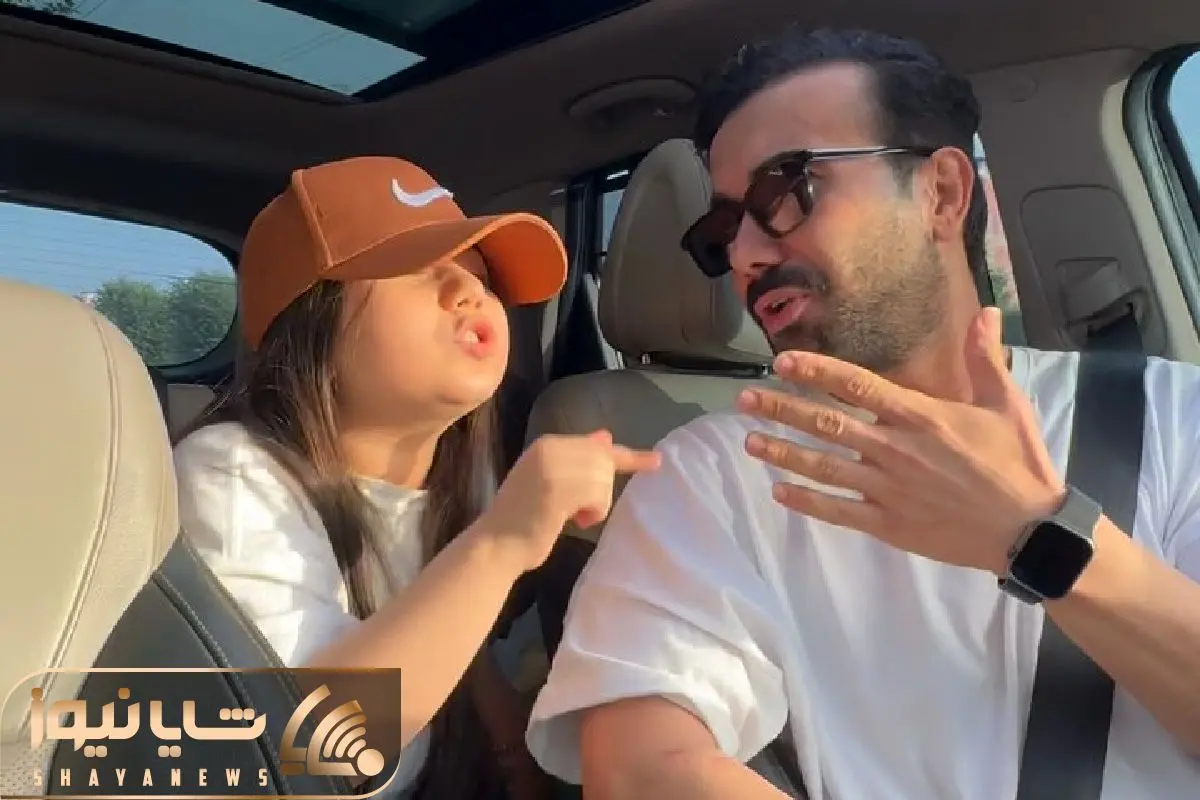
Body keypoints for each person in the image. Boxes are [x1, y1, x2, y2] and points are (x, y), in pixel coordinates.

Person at [524, 28, 1200, 799]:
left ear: (941, 193)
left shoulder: (1172, 413)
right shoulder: (714, 473)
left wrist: (1040, 538)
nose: (743, 255)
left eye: (784, 193)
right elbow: (643, 768)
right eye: (723, 230)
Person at [172, 156, 661, 800]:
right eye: (421, 268)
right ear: (311, 317)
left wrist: (516, 757)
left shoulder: (460, 478)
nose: (468, 291)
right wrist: (500, 545)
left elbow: (454, 649)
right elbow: (310, 753)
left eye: (479, 275)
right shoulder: (233, 473)